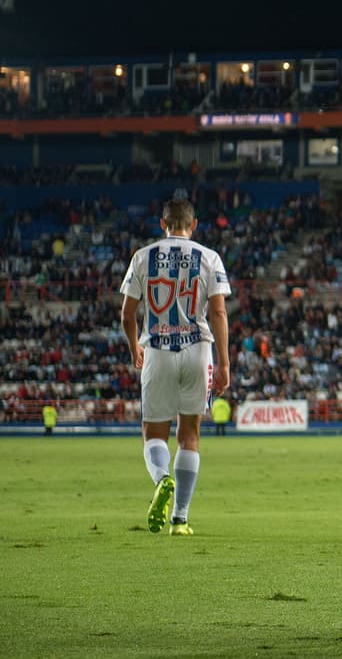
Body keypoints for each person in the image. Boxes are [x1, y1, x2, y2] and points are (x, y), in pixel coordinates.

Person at [119, 196, 231, 536]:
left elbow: (127, 314)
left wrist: (132, 348)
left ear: (162, 223)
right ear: (193, 225)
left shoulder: (142, 257)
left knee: (153, 433)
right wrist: (224, 363)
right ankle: (180, 518)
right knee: (190, 436)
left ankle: (161, 478)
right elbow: (219, 313)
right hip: (198, 349)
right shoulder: (209, 257)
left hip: (156, 348)